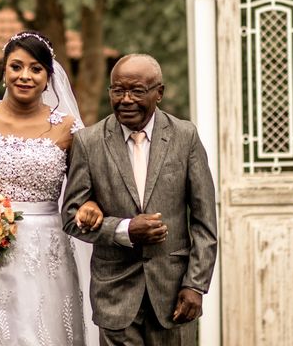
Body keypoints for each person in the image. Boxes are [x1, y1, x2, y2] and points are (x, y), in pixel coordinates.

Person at [0, 31, 101, 346]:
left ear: (48, 77)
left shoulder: (68, 128)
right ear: (4, 71)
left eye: (36, 69)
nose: (25, 76)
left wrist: (89, 206)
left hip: (43, 251)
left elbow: (87, 190)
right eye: (16, 67)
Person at [62, 54, 217, 346]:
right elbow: (71, 216)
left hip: (174, 295)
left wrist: (195, 285)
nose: (126, 99)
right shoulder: (89, 141)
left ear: (159, 93)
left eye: (137, 91)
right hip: (115, 295)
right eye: (118, 90)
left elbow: (204, 222)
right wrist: (124, 230)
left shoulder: (185, 137)